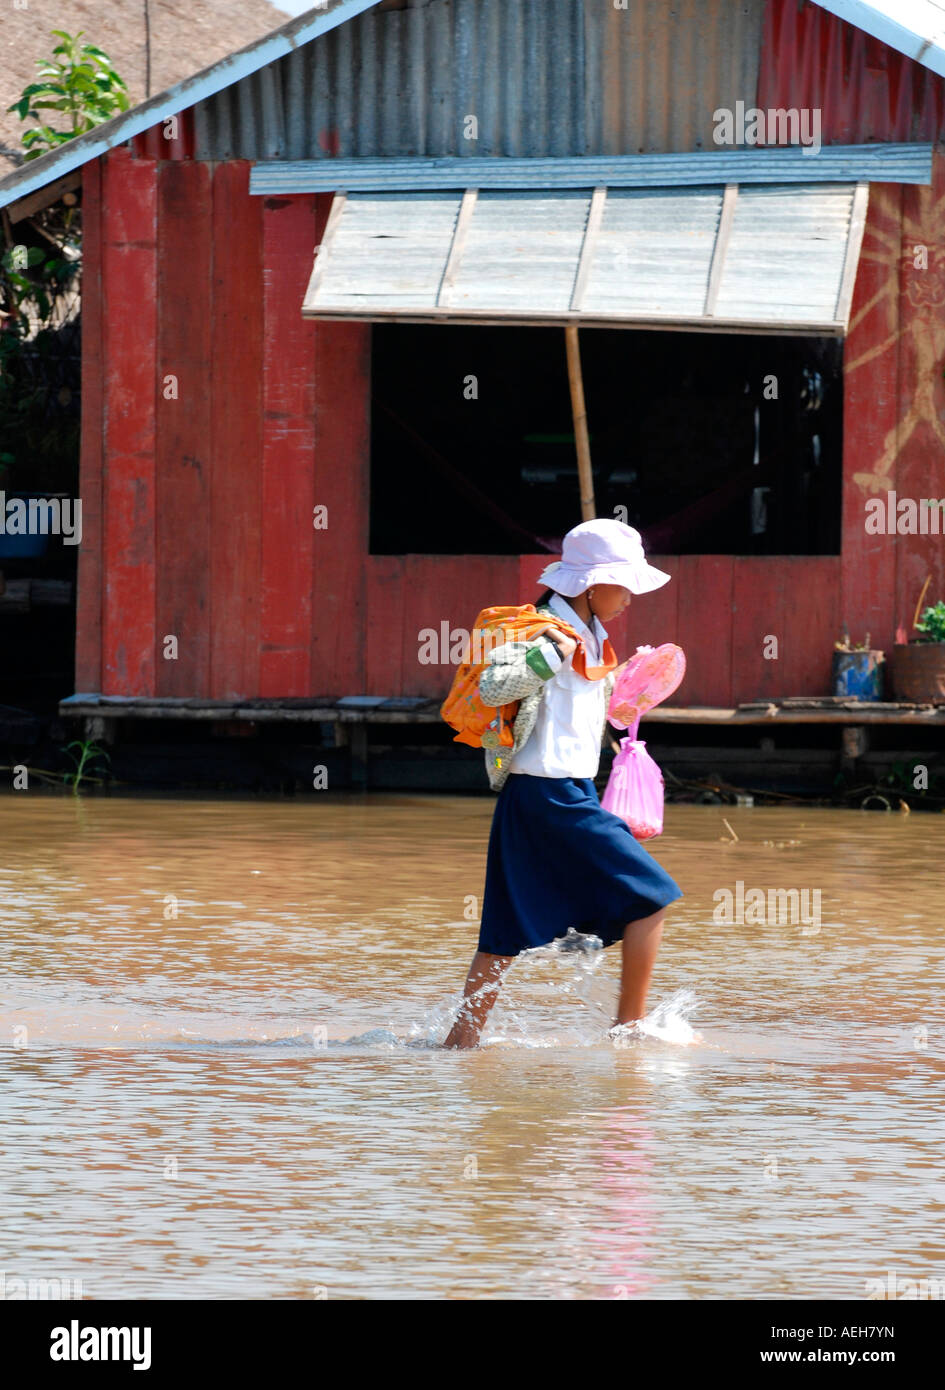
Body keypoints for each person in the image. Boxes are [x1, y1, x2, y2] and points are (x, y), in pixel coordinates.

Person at [443, 519, 683, 1049]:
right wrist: (547, 652)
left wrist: (632, 687)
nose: (628, 599)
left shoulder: (596, 636)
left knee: (503, 937)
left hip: (566, 795)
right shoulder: (538, 629)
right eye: (624, 586)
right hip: (544, 796)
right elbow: (493, 686)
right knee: (653, 896)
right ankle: (629, 1030)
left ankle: (459, 1047)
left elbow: (588, 712)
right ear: (591, 585)